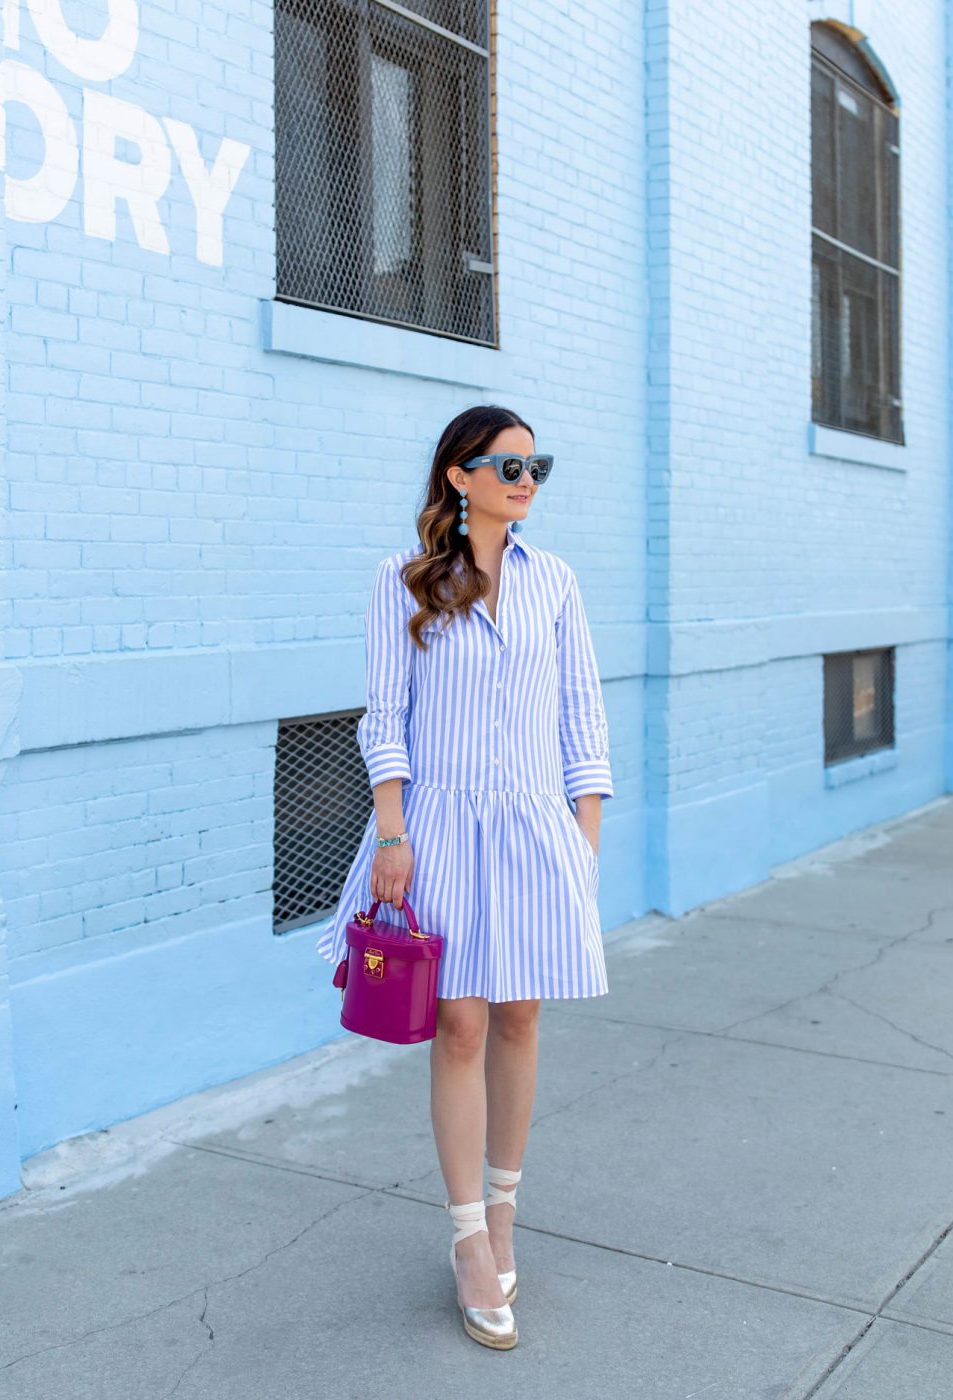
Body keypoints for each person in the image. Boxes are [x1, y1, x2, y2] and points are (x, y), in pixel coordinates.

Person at [316, 404, 614, 1350]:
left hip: (534, 829)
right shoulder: (402, 581)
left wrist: (584, 842)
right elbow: (385, 719)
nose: (525, 482)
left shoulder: (556, 583)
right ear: (459, 475)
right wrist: (392, 833)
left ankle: (508, 1211)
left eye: (537, 468)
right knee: (459, 1022)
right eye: (507, 466)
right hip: (436, 826)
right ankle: (467, 1239)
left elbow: (583, 719)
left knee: (521, 1015)